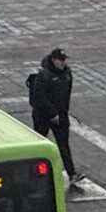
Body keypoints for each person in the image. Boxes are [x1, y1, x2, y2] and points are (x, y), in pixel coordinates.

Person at [27, 49, 81, 185]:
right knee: (39, 144)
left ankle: (72, 173)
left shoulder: (66, 73)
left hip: (61, 116)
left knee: (64, 145)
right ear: (54, 60)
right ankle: (33, 172)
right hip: (43, 116)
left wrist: (63, 113)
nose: (63, 63)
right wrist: (52, 113)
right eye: (61, 60)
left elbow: (66, 95)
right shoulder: (43, 74)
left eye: (64, 60)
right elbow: (39, 97)